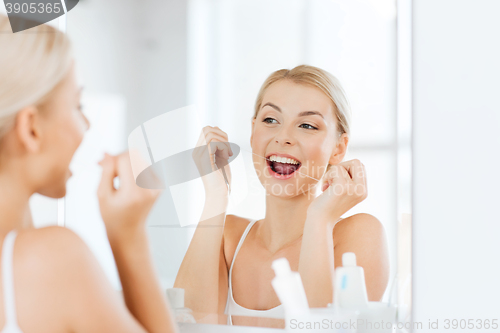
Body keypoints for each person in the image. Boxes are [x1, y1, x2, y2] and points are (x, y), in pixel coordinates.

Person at [174, 65, 390, 327]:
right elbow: (187, 326)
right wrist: (216, 196)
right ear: (253, 132)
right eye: (271, 120)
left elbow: (320, 330)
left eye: (307, 125)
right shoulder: (226, 236)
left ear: (338, 148)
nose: (283, 137)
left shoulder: (359, 234)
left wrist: (320, 218)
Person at [0, 15, 178, 333]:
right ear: (31, 129)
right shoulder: (48, 260)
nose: (87, 124)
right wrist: (129, 236)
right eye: (77, 105)